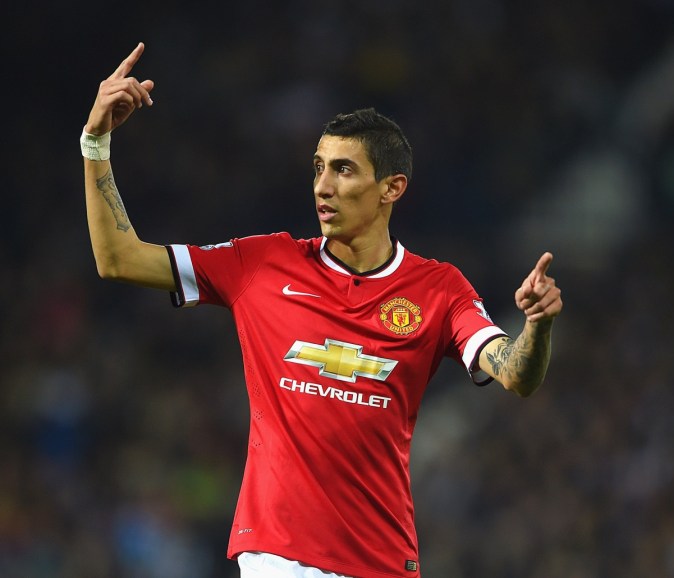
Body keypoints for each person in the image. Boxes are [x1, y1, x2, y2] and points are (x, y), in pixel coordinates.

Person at [81, 42, 563, 578]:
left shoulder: (439, 289)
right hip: (281, 557)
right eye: (318, 168)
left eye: (343, 170)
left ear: (391, 188)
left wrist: (537, 325)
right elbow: (119, 258)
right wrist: (95, 141)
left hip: (383, 562)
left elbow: (516, 374)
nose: (322, 186)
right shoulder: (263, 263)